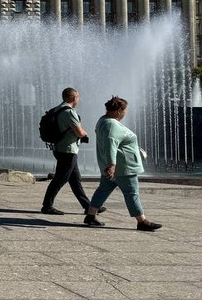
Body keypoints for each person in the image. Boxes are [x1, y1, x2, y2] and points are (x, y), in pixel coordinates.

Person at [84, 96, 162, 231]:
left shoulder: (103, 121)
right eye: (125, 110)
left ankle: (90, 216)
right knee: (132, 192)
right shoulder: (111, 124)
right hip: (123, 167)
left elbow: (114, 143)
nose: (125, 113)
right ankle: (142, 221)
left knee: (103, 189)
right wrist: (112, 165)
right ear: (119, 110)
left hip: (113, 166)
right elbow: (111, 144)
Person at [40, 87, 104, 216]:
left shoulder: (57, 109)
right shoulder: (69, 112)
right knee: (60, 179)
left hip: (60, 148)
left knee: (75, 180)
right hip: (67, 150)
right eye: (78, 97)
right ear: (74, 98)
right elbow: (80, 132)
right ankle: (47, 206)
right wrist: (85, 133)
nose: (78, 99)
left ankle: (88, 206)